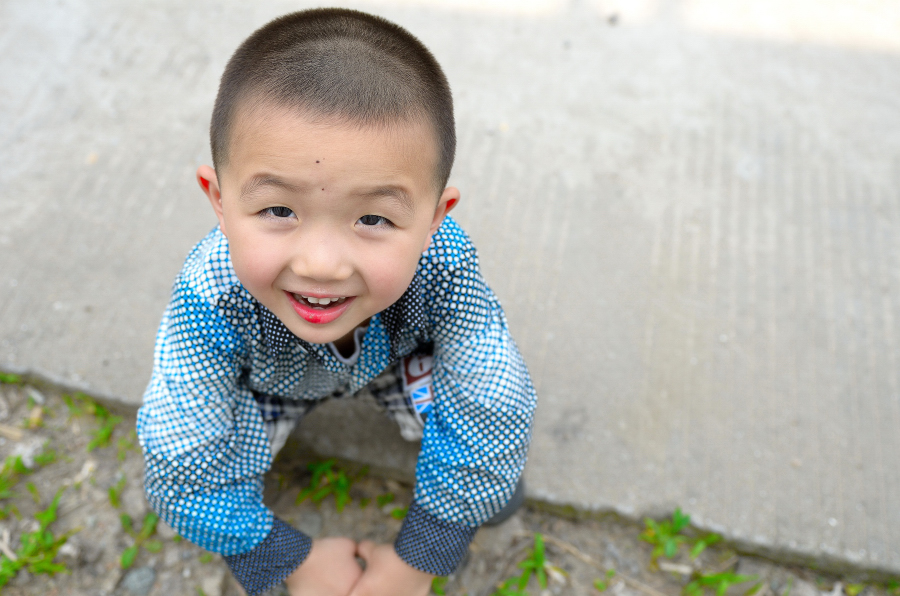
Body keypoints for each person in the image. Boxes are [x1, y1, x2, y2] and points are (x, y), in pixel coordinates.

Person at [136, 8, 537, 596]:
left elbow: (492, 392)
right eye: (279, 210)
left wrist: (425, 553)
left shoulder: (445, 263)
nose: (321, 264)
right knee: (182, 457)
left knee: (489, 420)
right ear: (218, 200)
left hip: (396, 359)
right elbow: (179, 455)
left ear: (435, 218)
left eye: (373, 218)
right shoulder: (210, 296)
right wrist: (284, 558)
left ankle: (466, 499)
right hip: (267, 383)